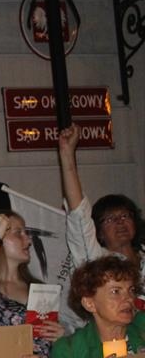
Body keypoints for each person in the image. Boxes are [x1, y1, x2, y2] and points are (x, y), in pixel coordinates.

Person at [0, 211, 64, 358]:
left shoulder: (39, 289)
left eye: (26, 233)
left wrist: (59, 338)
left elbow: (47, 347)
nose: (28, 240)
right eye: (18, 233)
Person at [57, 123, 145, 290]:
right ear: (99, 232)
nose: (120, 222)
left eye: (125, 215)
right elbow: (79, 216)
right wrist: (67, 155)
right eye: (110, 219)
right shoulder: (97, 261)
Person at [49, 256, 145, 358]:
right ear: (89, 304)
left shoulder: (142, 327)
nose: (128, 298)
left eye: (131, 290)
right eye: (115, 291)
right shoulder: (68, 350)